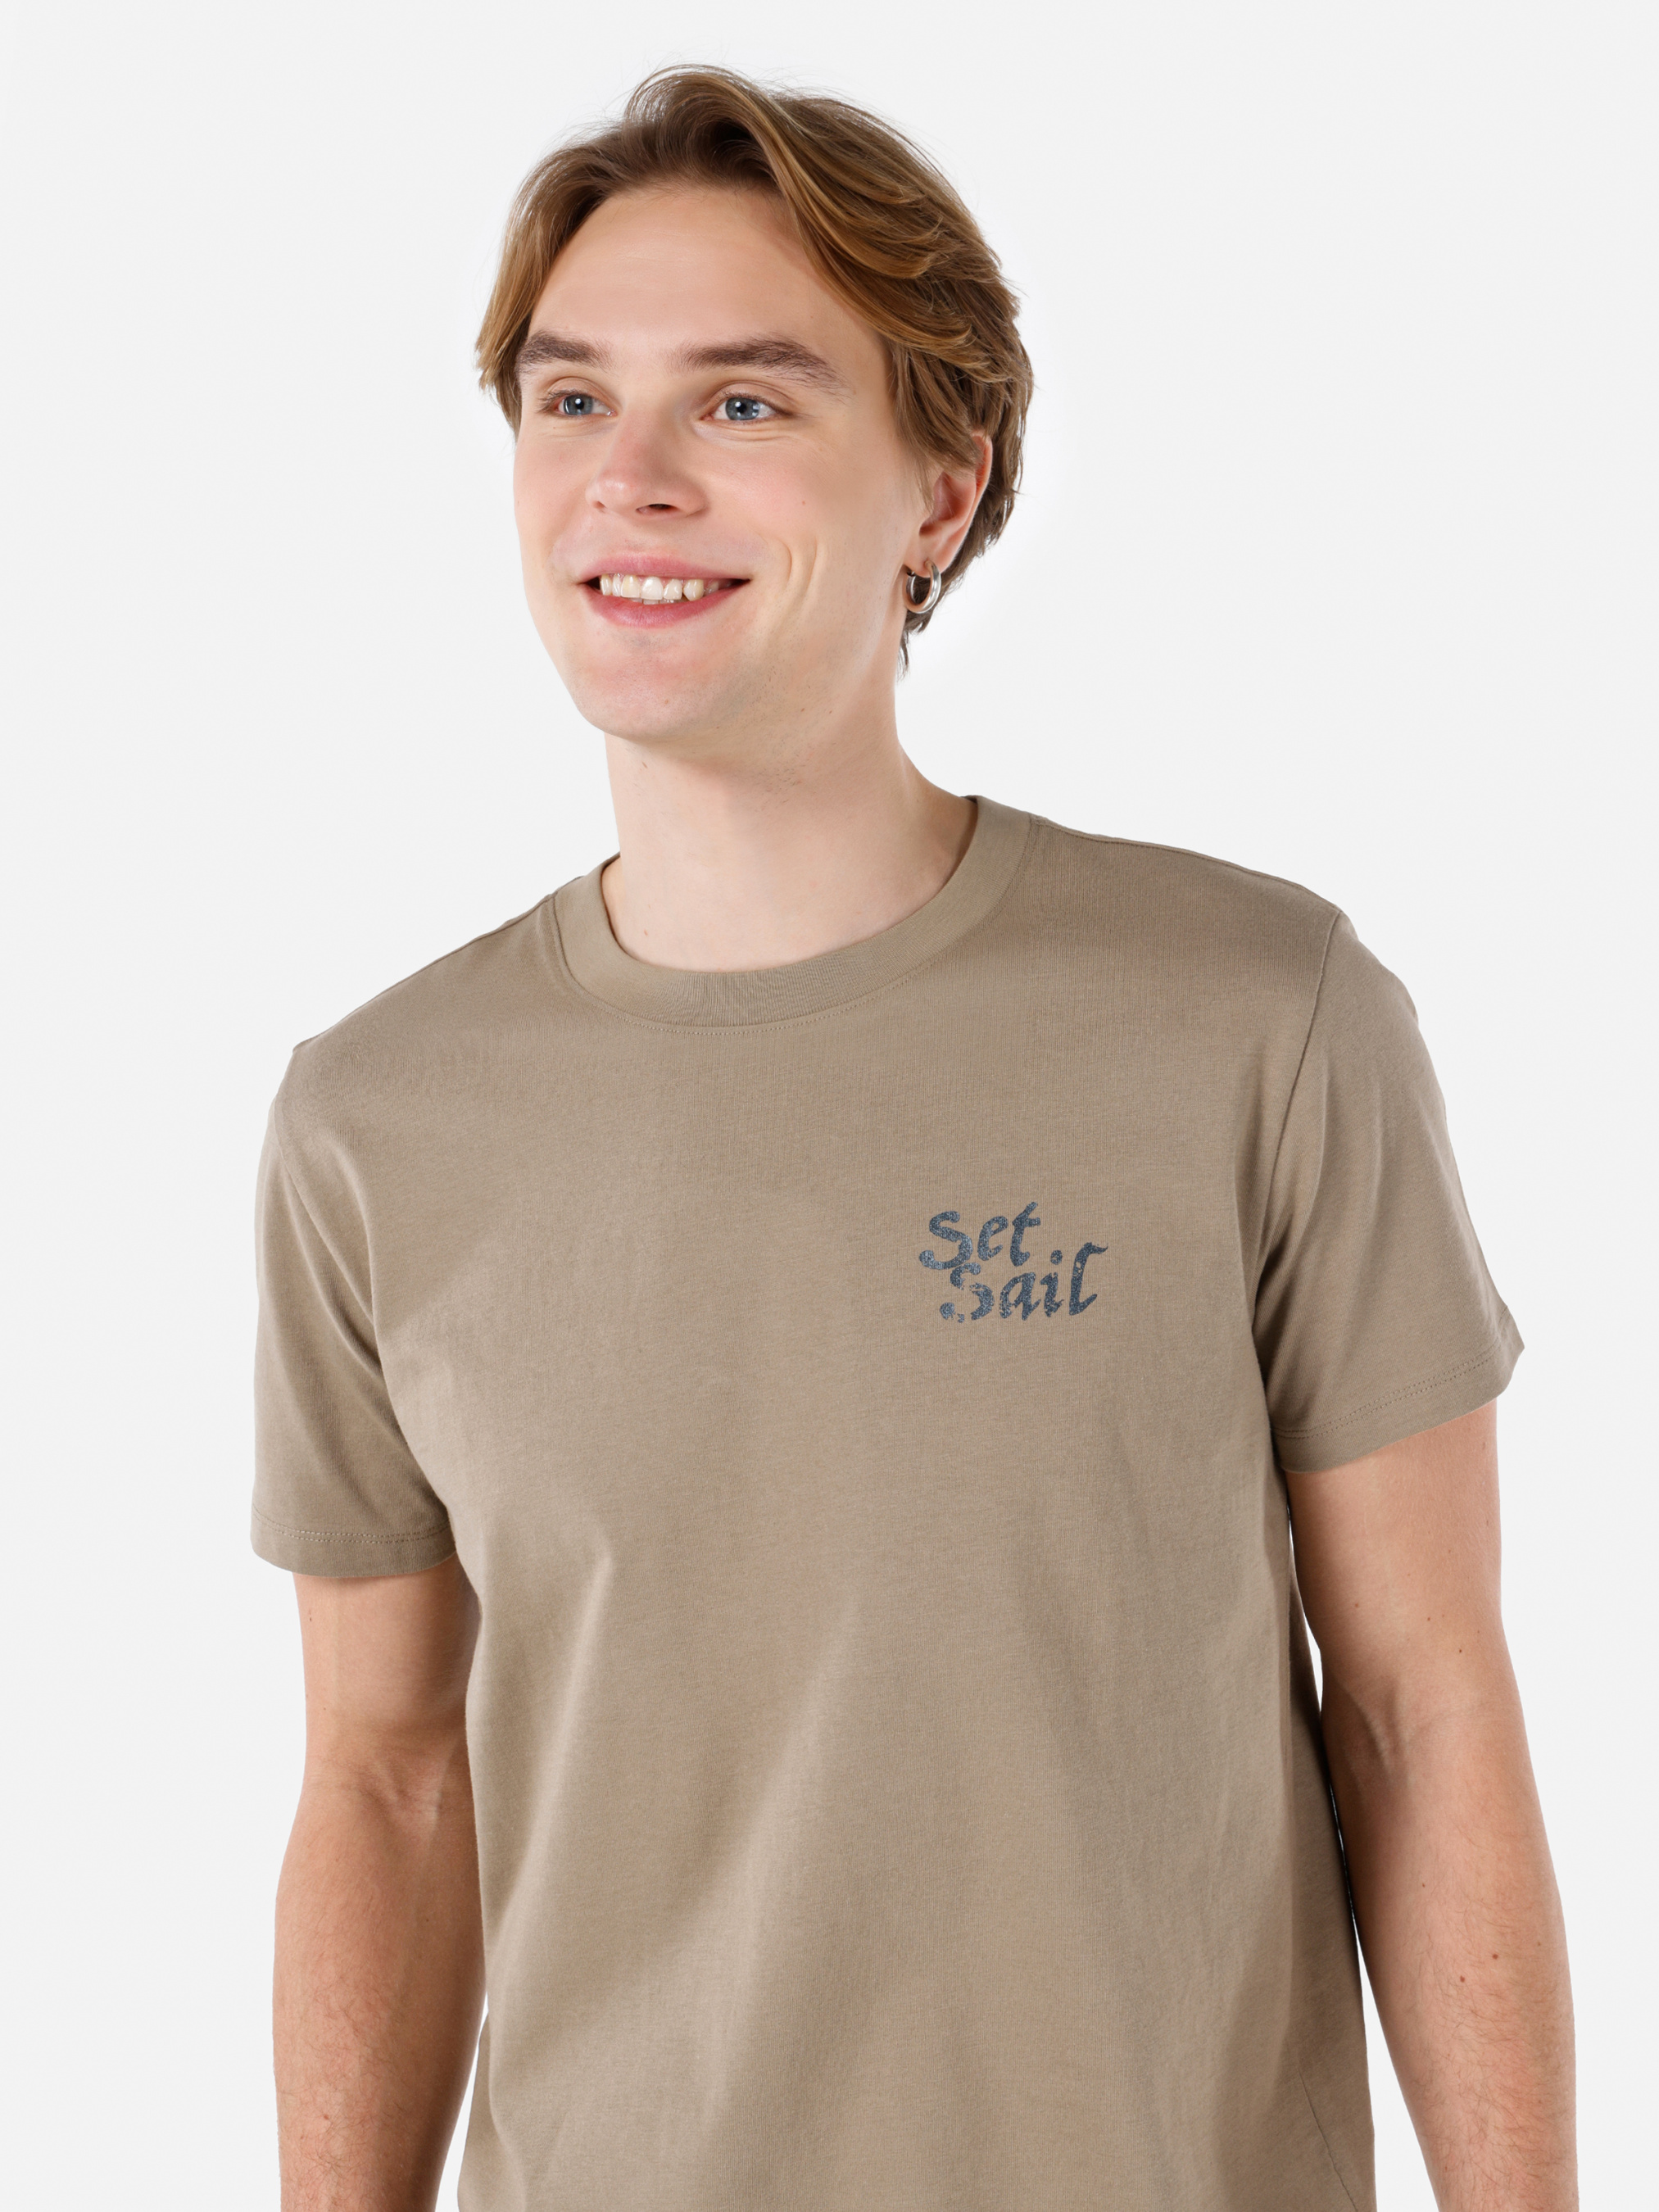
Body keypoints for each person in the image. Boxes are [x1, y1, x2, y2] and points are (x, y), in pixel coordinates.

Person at [252, 66, 1575, 2212]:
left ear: (940, 493)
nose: (632, 478)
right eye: (572, 401)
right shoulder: (376, 1120)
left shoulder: (1258, 1016)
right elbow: (385, 1780)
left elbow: (1422, 1707)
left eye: (743, 403)